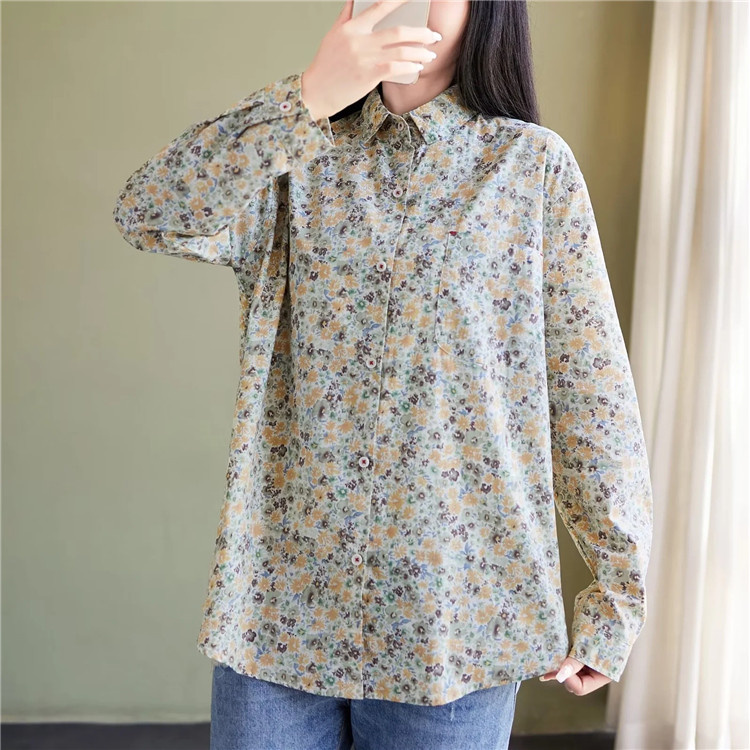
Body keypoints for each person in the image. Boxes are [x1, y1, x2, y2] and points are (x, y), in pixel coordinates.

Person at [112, 0, 654, 748]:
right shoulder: (292, 157)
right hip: (279, 615)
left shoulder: (530, 169)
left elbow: (590, 391)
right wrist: (307, 97)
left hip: (457, 623)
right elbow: (149, 212)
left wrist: (617, 597)